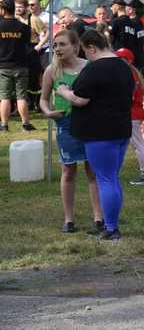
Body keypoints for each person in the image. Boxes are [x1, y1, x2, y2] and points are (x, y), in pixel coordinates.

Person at [55, 30, 134, 241]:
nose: (85, 55)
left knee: (105, 179)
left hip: (99, 133)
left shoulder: (95, 69)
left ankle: (111, 228)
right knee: (112, 178)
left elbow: (80, 99)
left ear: (91, 47)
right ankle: (112, 224)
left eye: (85, 50)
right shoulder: (124, 66)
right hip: (121, 130)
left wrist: (63, 91)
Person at [39, 30, 104, 234]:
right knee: (68, 171)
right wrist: (48, 112)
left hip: (89, 123)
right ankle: (69, 219)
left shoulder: (89, 67)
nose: (57, 48)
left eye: (62, 44)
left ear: (75, 47)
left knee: (92, 170)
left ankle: (98, 217)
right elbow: (42, 99)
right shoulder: (52, 70)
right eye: (55, 45)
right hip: (65, 124)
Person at [115, 48, 144, 186]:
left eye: (120, 59)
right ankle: (115, 172)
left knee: (137, 145)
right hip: (133, 112)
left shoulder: (128, 75)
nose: (117, 61)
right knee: (123, 144)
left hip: (132, 114)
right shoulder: (132, 73)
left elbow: (127, 98)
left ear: (127, 61)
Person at [0, 0, 35, 131]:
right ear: (14, 9)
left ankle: (4, 125)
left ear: (2, 10)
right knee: (21, 96)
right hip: (21, 65)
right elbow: (26, 45)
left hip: (3, 66)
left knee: (4, 97)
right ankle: (26, 124)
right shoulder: (24, 28)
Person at [16, 0, 47, 111]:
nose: (18, 9)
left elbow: (46, 32)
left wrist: (40, 45)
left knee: (34, 77)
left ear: (26, 7)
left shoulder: (33, 19)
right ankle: (28, 103)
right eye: (16, 7)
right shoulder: (15, 19)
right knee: (24, 77)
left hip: (32, 49)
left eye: (20, 7)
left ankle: (38, 103)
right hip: (20, 50)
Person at [110, 0, 138, 64]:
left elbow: (110, 37)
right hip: (130, 56)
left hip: (119, 55)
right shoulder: (132, 22)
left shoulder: (116, 21)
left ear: (118, 6)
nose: (111, 8)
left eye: (112, 6)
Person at [125, 0, 144, 70]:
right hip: (139, 55)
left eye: (126, 8)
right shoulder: (139, 21)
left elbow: (136, 40)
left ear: (131, 10)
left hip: (135, 57)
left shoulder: (134, 22)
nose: (124, 10)